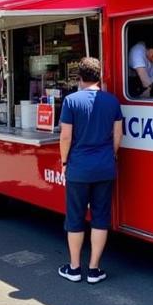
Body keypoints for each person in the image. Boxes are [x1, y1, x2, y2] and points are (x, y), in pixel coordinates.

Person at [57, 56, 123, 284]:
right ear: (99, 77)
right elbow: (118, 135)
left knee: (75, 218)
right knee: (100, 217)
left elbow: (65, 136)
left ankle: (74, 268)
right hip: (105, 167)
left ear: (80, 77)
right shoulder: (112, 101)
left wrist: (64, 162)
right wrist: (111, 155)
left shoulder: (71, 101)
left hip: (79, 168)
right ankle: (94, 269)